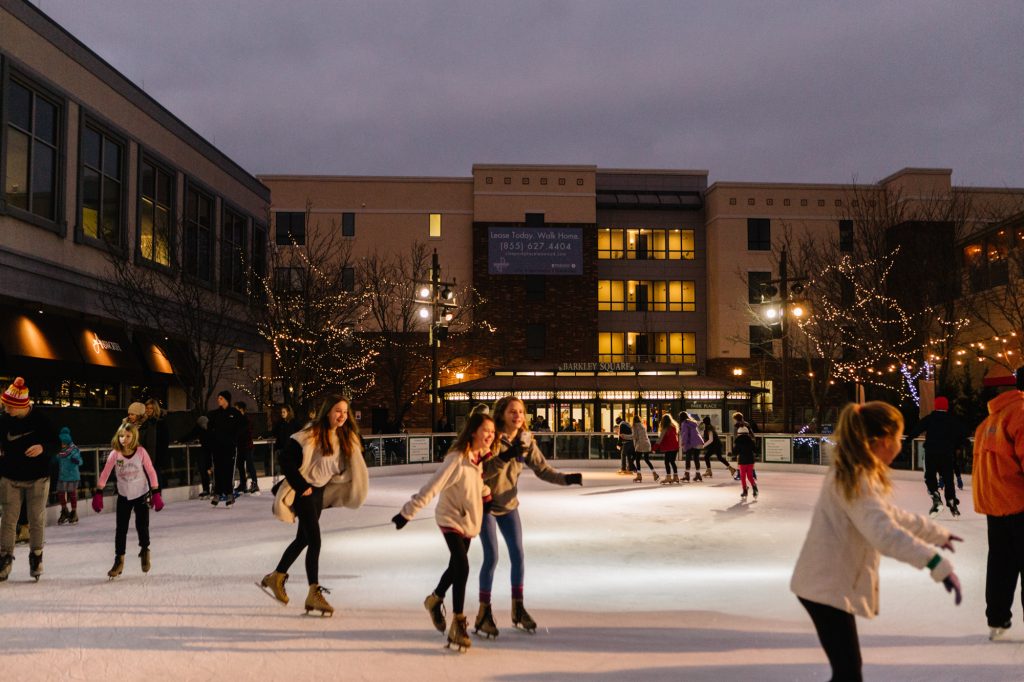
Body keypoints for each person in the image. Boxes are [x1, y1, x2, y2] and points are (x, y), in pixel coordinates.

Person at [791, 401, 962, 680]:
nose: (899, 444)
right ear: (883, 440)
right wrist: (935, 563)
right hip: (827, 586)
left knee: (847, 670)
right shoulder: (856, 477)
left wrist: (935, 533)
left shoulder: (855, 472)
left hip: (826, 582)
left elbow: (888, 515)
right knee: (848, 672)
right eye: (898, 437)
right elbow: (884, 533)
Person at [478, 396, 582, 636]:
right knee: (491, 557)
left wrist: (566, 479)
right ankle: (484, 612)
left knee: (518, 555)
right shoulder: (490, 437)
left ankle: (518, 608)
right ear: (502, 414)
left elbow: (542, 469)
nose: (518, 416)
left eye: (521, 412)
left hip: (509, 505)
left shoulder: (526, 440)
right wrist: (505, 456)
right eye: (513, 412)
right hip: (485, 505)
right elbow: (482, 473)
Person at [392, 411, 495, 651]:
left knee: (455, 567)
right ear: (473, 431)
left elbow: (475, 482)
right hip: (450, 517)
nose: (490, 435)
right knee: (463, 566)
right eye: (485, 430)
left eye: (492, 431)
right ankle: (458, 625)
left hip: (468, 520)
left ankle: (434, 599)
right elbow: (434, 484)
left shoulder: (478, 458)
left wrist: (485, 493)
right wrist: (408, 511)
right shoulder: (457, 458)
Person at [262, 395, 368, 617]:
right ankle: (314, 592)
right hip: (305, 491)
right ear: (328, 411)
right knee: (315, 540)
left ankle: (277, 576)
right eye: (338, 410)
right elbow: (286, 459)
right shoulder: (312, 433)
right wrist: (301, 486)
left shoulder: (346, 436)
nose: (342, 415)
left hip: (318, 491)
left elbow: (353, 460)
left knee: (303, 539)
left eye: (345, 412)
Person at [971, 366, 1024, 641]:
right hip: (1020, 504)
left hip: (996, 507)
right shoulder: (1020, 414)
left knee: (1001, 564)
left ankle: (997, 620)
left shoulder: (986, 424)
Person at [0, 378, 56, 582]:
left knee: (36, 519)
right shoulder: (4, 420)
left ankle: (36, 556)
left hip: (38, 478)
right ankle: (4, 558)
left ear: (20, 406)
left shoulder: (41, 419)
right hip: (10, 477)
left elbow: (57, 443)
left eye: (9, 406)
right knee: (7, 520)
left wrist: (43, 448)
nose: (6, 409)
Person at [92, 423, 163, 578]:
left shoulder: (141, 452)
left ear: (134, 436)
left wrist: (156, 492)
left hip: (141, 493)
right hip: (124, 495)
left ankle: (145, 550)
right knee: (121, 529)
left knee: (142, 525)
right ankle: (119, 560)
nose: (124, 439)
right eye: (122, 436)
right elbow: (105, 472)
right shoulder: (115, 454)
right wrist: (98, 492)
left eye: (128, 436)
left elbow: (151, 471)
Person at [904, 396, 970, 518]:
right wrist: (963, 443)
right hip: (947, 454)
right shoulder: (952, 420)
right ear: (947, 407)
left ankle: (935, 494)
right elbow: (963, 433)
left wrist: (907, 440)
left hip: (931, 452)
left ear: (935, 406)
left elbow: (917, 429)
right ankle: (951, 499)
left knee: (930, 475)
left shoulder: (930, 418)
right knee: (948, 478)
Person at [206, 390, 244, 507]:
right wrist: (213, 439)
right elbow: (209, 428)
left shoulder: (234, 413)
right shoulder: (215, 414)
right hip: (217, 447)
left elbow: (243, 425)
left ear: (227, 400)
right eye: (218, 398)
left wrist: (234, 439)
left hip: (229, 447)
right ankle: (217, 493)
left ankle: (229, 494)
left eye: (221, 398)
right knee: (218, 471)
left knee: (228, 470)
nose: (218, 400)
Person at [180, 415, 214, 498]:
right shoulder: (200, 427)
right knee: (204, 470)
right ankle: (207, 489)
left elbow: (191, 434)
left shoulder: (212, 427)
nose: (204, 425)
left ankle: (213, 489)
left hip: (212, 451)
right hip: (205, 451)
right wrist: (181, 440)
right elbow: (191, 434)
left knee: (211, 470)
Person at [55, 427, 83, 525]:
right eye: (61, 443)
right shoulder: (59, 451)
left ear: (67, 442)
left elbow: (80, 461)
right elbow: (56, 458)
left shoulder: (74, 450)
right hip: (62, 476)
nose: (62, 445)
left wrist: (76, 460)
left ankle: (74, 512)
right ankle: (64, 510)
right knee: (61, 494)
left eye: (63, 443)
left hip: (72, 476)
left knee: (72, 494)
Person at [143, 399, 170, 491]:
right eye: (147, 408)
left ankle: (157, 497)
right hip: (145, 454)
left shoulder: (161, 423)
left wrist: (161, 456)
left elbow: (165, 441)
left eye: (151, 408)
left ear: (155, 409)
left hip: (156, 456)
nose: (149, 410)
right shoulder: (145, 423)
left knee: (156, 476)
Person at [234, 401, 259, 495]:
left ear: (241, 409)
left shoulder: (246, 419)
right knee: (240, 465)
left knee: (250, 465)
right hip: (240, 447)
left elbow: (246, 431)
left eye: (236, 409)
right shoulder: (237, 420)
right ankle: (243, 484)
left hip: (248, 446)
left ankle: (255, 483)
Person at [652, 413, 680, 484]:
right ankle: (676, 477)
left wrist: (654, 448)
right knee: (672, 462)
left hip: (669, 448)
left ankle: (668, 477)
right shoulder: (673, 427)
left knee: (667, 462)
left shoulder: (665, 428)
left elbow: (660, 439)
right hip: (675, 447)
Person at [678, 411, 706, 482]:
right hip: (698, 442)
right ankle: (698, 474)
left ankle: (687, 475)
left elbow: (685, 434)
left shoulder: (684, 423)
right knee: (696, 458)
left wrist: (683, 443)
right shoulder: (692, 423)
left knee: (688, 458)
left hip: (691, 443)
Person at [734, 421, 758, 500]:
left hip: (742, 460)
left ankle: (745, 490)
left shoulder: (738, 440)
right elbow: (755, 450)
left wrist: (731, 453)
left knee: (743, 476)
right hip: (750, 460)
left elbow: (736, 451)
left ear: (739, 433)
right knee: (750, 476)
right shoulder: (751, 440)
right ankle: (755, 488)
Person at [630, 415, 658, 482]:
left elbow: (634, 437)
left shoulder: (635, 426)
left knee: (637, 460)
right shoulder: (643, 426)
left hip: (640, 444)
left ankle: (639, 475)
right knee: (646, 459)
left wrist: (624, 436)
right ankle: (655, 473)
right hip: (647, 444)